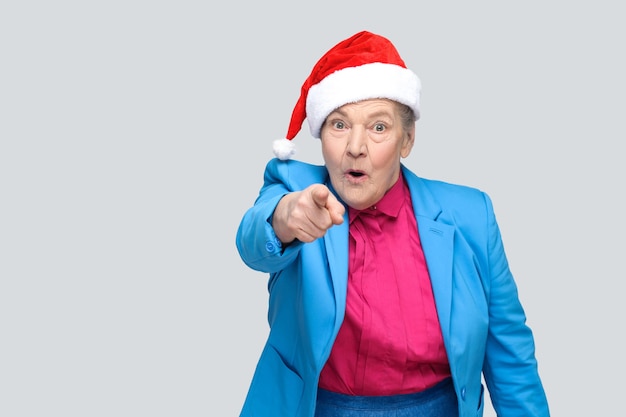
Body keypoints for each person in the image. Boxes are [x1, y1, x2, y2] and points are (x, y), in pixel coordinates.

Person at [235, 31, 550, 417]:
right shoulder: (294, 188)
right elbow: (253, 239)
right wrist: (286, 218)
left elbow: (511, 359)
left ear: (407, 140)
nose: (356, 147)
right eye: (339, 125)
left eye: (378, 127)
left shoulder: (471, 215)